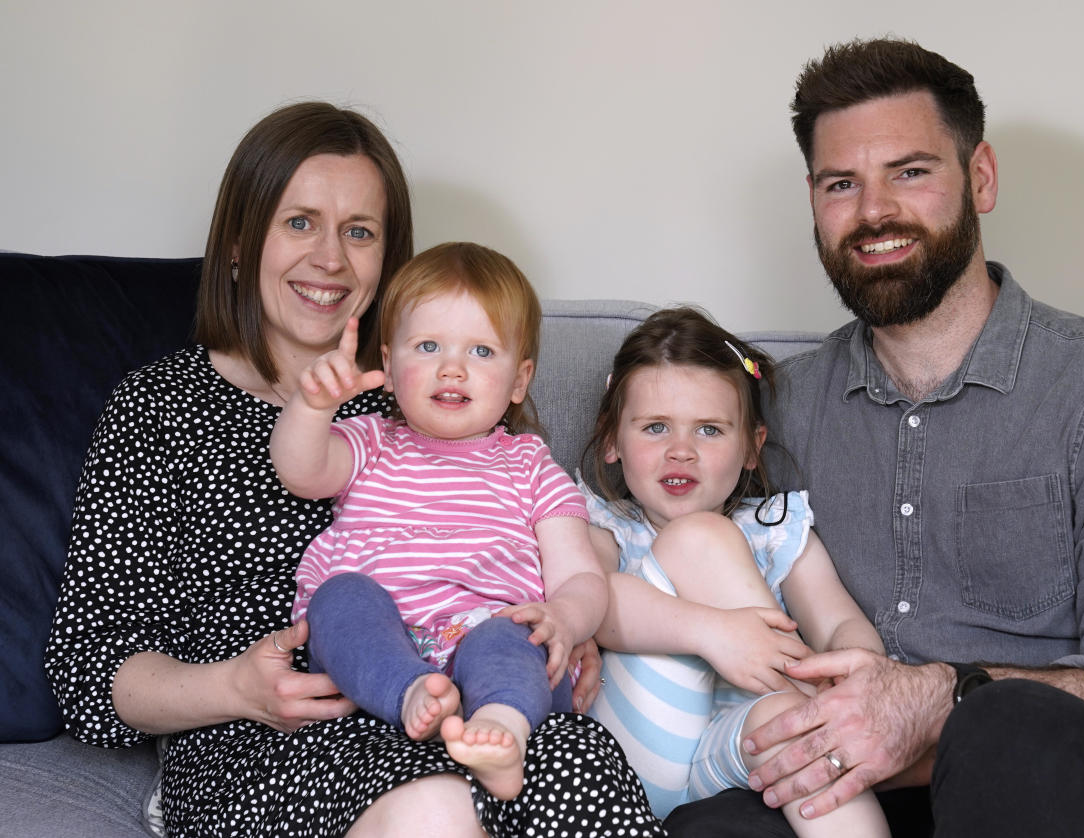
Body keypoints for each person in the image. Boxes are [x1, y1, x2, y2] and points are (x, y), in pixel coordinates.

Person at [44, 102, 664, 838]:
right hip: (267, 742)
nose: (331, 259)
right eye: (299, 222)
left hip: (470, 699)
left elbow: (552, 524)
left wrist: (563, 620)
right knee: (435, 807)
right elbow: (88, 666)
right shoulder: (159, 407)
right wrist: (234, 688)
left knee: (581, 769)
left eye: (359, 233)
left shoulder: (438, 395)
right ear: (240, 243)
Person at [663, 39, 1084, 838]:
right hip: (847, 803)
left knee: (1006, 726)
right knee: (712, 827)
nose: (872, 211)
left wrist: (936, 699)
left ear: (980, 177)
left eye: (909, 172)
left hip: (1053, 799)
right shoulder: (772, 412)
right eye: (840, 184)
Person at [270, 242, 608, 802]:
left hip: (490, 634)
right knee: (340, 596)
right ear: (389, 362)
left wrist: (568, 619)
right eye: (427, 346)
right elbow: (301, 472)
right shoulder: (371, 440)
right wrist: (313, 407)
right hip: (381, 644)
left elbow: (581, 575)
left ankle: (502, 730)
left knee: (515, 633)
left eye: (480, 350)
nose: (452, 367)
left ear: (520, 380)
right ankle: (411, 696)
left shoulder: (529, 465)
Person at [581, 307, 889, 837]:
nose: (681, 450)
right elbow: (593, 608)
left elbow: (838, 623)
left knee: (798, 735)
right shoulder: (603, 524)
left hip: (732, 749)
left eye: (709, 429)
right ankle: (817, 711)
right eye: (655, 427)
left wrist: (861, 679)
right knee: (698, 537)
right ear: (611, 440)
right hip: (631, 761)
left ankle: (822, 727)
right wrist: (714, 631)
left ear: (751, 446)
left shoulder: (776, 529)